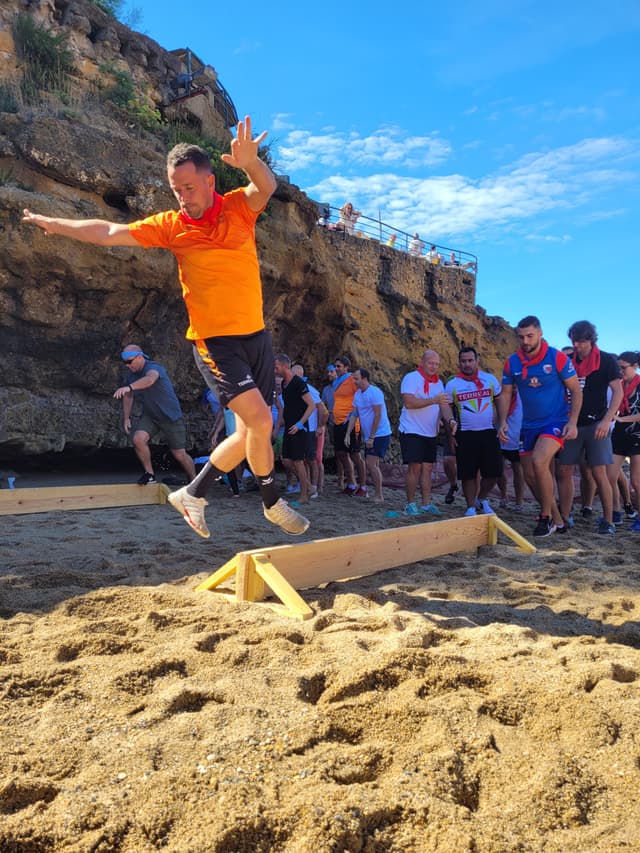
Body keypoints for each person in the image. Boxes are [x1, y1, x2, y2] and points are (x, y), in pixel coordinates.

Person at [23, 117, 309, 539]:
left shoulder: (236, 209)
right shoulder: (171, 227)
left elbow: (264, 187)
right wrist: (57, 224)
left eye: (188, 189)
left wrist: (251, 164)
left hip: (256, 336)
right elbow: (108, 231)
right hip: (215, 342)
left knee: (254, 429)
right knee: (263, 421)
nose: (182, 198)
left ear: (211, 181)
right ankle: (271, 502)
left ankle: (193, 493)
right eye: (176, 190)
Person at [499, 315, 582, 537]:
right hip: (528, 425)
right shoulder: (512, 362)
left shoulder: (557, 358)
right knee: (529, 475)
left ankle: (545, 517)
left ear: (540, 334)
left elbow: (575, 390)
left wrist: (572, 422)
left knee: (539, 461)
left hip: (555, 421)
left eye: (530, 336)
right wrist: (502, 422)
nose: (525, 341)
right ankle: (557, 519)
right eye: (521, 337)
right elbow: (506, 394)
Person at [556, 321, 622, 535]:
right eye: (574, 341)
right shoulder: (567, 361)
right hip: (572, 423)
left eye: (582, 341)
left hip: (596, 424)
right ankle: (565, 516)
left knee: (599, 473)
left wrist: (606, 421)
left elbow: (618, 393)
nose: (577, 346)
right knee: (564, 470)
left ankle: (608, 519)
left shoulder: (606, 361)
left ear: (592, 340)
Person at [114, 344, 196, 485]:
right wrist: (126, 417)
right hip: (151, 415)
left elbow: (150, 380)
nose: (127, 366)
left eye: (130, 362)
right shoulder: (131, 376)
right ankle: (150, 474)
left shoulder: (153, 367)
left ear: (140, 357)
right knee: (138, 439)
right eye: (125, 363)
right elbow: (128, 396)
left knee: (179, 454)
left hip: (170, 416)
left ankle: (195, 481)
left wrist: (130, 387)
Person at [446, 347, 506, 516]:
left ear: (477, 360)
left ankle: (482, 498)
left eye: (470, 360)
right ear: (459, 362)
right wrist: (450, 429)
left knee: (495, 472)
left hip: (488, 431)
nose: (467, 364)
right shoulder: (453, 384)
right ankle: (471, 506)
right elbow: (446, 407)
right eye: (463, 361)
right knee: (468, 473)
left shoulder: (489, 379)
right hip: (465, 433)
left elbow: (500, 399)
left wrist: (502, 422)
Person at [399, 349, 457, 515]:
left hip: (429, 431)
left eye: (437, 364)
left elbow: (444, 405)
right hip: (411, 429)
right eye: (431, 363)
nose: (434, 367)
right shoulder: (411, 378)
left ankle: (426, 503)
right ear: (423, 362)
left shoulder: (438, 383)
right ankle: (410, 504)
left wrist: (450, 420)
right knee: (414, 467)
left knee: (428, 468)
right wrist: (433, 400)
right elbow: (409, 403)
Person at [345, 368, 392, 503]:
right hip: (369, 434)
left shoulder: (375, 392)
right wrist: (348, 433)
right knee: (373, 464)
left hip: (380, 433)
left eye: (356, 378)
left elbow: (378, 415)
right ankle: (377, 493)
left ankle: (379, 495)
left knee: (371, 464)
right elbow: (354, 414)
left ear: (364, 379)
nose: (354, 381)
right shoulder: (358, 394)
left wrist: (372, 436)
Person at [274, 355, 316, 503]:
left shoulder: (298, 383)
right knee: (286, 461)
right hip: (289, 427)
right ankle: (309, 486)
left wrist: (300, 424)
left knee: (298, 461)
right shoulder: (284, 385)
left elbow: (312, 405)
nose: (275, 370)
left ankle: (304, 495)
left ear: (285, 366)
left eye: (276, 367)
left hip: (299, 429)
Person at [609, 351, 640, 532]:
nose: (620, 371)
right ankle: (615, 511)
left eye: (623, 368)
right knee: (608, 476)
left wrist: (621, 419)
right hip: (619, 435)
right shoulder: (617, 385)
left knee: (636, 481)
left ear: (635, 366)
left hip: (637, 435)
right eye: (618, 368)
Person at [292, 363, 328, 498]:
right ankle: (304, 484)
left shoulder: (309, 389)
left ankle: (314, 487)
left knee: (313, 459)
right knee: (302, 459)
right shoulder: (294, 388)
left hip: (311, 429)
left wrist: (320, 426)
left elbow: (322, 409)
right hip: (301, 428)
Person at [332, 356, 366, 495]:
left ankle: (363, 486)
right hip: (337, 421)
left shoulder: (351, 379)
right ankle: (351, 483)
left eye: (339, 366)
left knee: (355, 454)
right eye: (335, 366)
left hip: (351, 422)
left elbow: (360, 395)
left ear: (346, 367)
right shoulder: (336, 382)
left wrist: (354, 414)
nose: (336, 369)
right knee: (341, 453)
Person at [497, 387, 526, 510]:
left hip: (517, 436)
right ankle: (503, 496)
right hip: (500, 434)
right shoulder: (500, 393)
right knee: (499, 469)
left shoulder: (523, 395)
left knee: (518, 470)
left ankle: (519, 501)